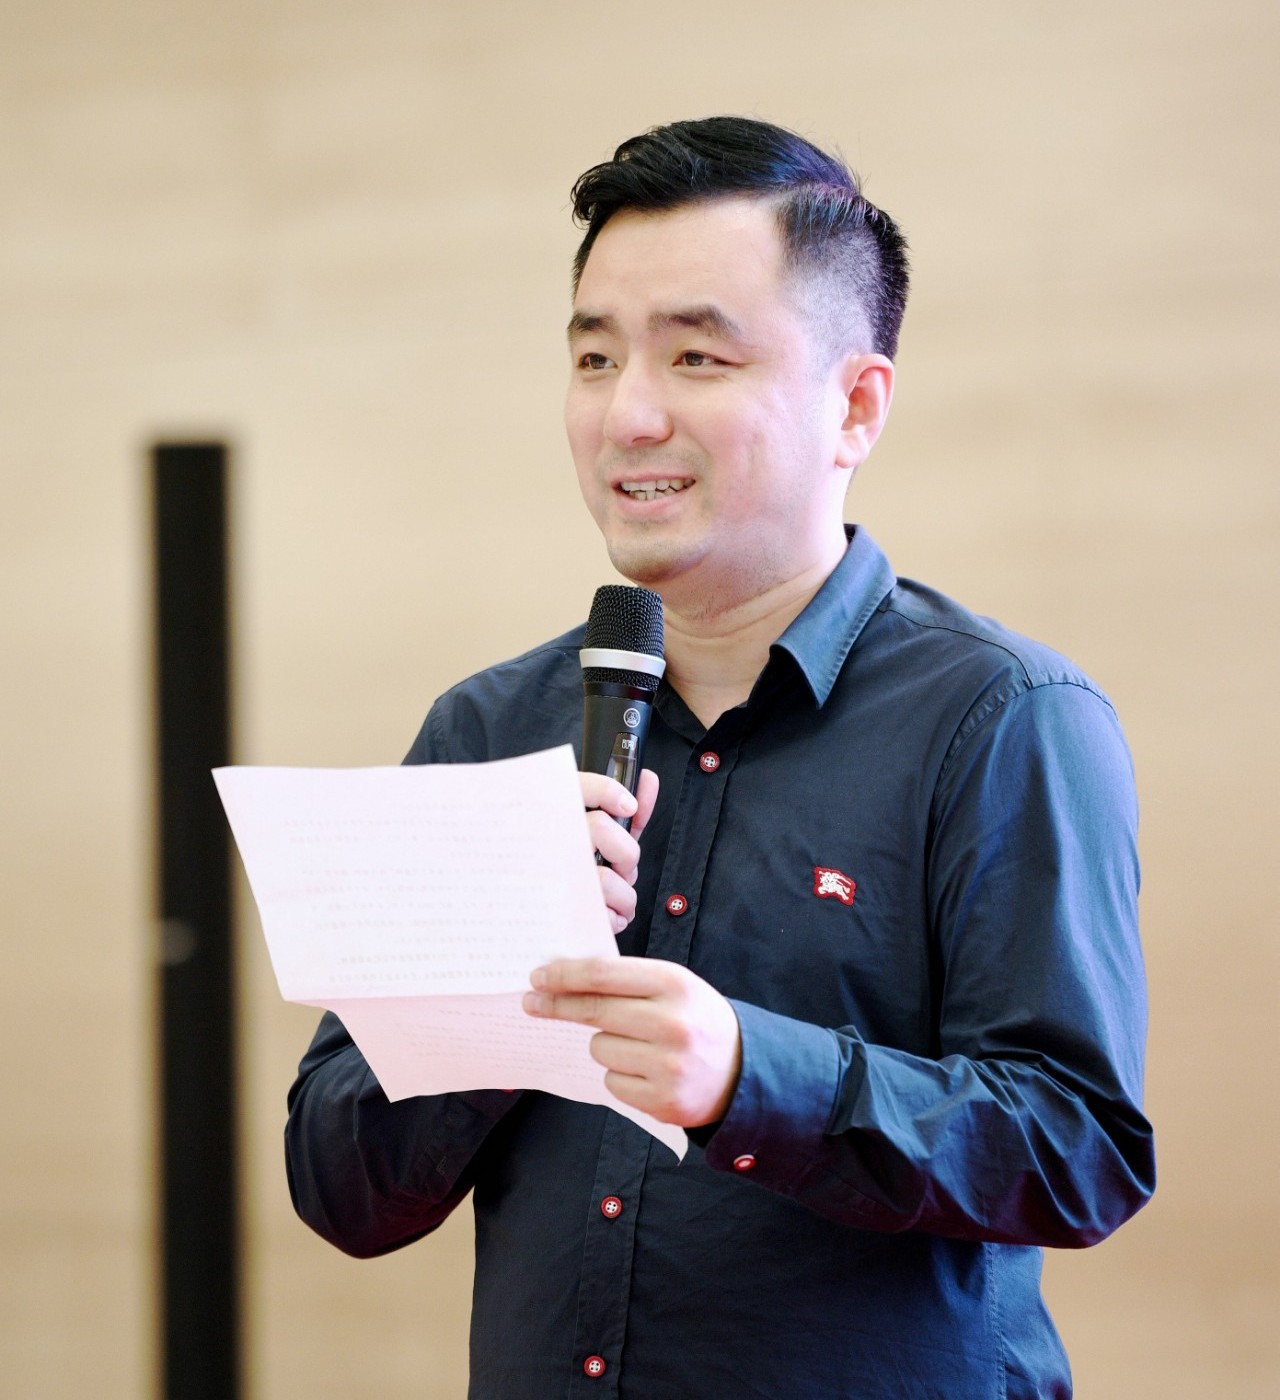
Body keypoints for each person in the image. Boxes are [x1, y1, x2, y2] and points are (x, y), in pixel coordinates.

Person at [285, 117, 1155, 1398]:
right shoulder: (488, 727)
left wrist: (753, 1075)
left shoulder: (1001, 717)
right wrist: (490, 997)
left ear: (854, 405)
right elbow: (339, 1187)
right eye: (594, 357)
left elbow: (1077, 1149)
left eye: (695, 355)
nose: (627, 414)